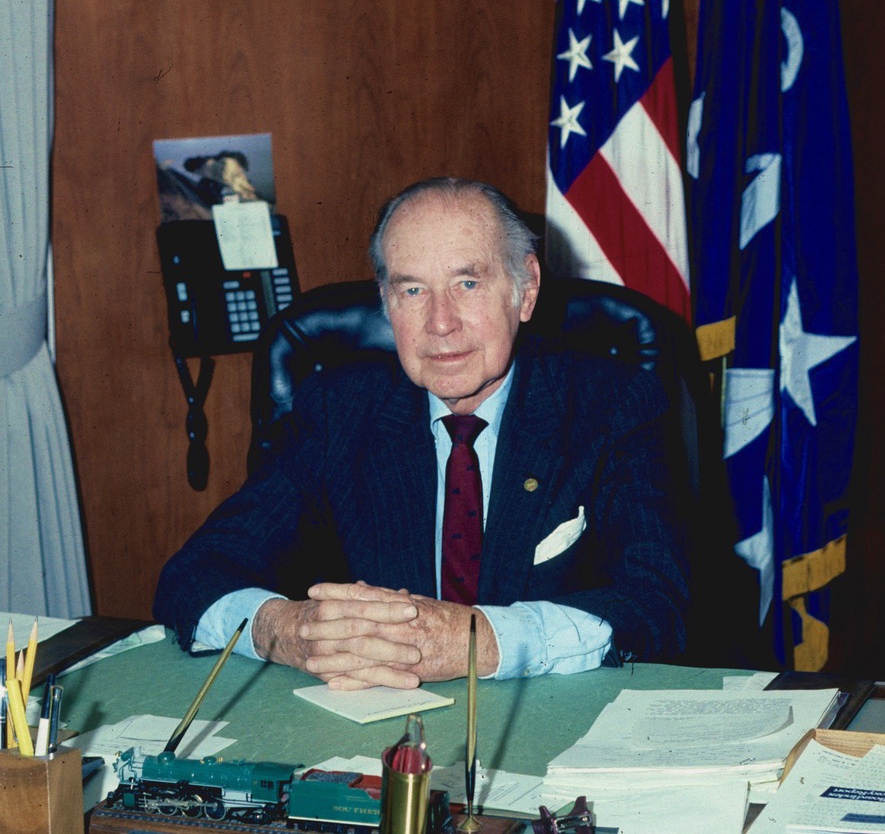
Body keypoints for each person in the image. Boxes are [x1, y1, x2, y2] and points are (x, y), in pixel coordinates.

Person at [153, 177, 689, 690]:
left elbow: (658, 603)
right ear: (387, 303)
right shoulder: (337, 412)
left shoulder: (614, 405)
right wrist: (284, 631)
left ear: (524, 292)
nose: (440, 322)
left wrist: (477, 640)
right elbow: (193, 576)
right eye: (413, 289)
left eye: (468, 283)